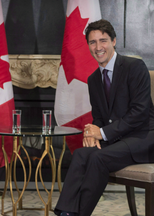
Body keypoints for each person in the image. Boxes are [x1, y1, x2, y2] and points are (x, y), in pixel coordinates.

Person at [54, 19, 154, 216]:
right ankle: (65, 212)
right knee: (81, 154)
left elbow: (140, 113)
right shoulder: (93, 79)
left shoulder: (135, 67)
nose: (98, 47)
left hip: (145, 137)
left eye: (103, 40)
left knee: (98, 158)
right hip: (118, 139)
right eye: (93, 42)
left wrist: (101, 132)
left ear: (114, 41)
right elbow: (99, 116)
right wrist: (92, 131)